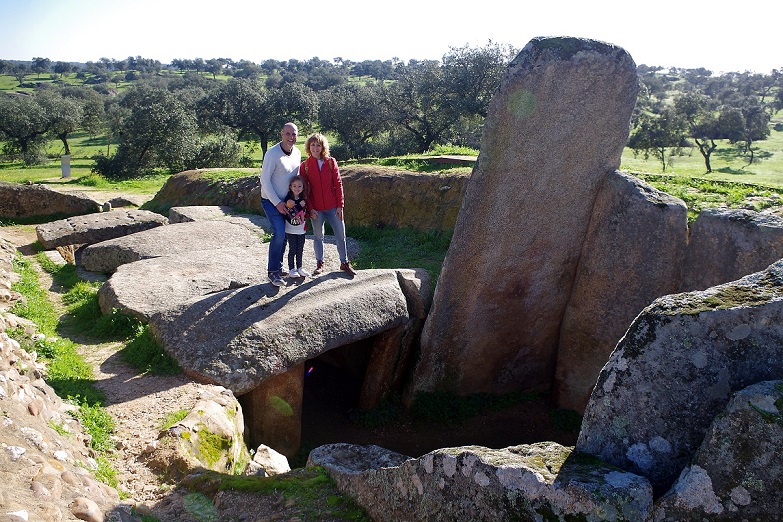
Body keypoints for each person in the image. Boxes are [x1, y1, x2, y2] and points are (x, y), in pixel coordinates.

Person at [300, 133, 356, 276]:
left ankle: (344, 263)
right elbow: (304, 190)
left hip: (333, 207)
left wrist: (340, 205)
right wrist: (310, 208)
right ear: (308, 147)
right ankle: (320, 264)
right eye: (312, 145)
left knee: (341, 235)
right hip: (316, 208)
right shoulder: (305, 166)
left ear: (323, 147)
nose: (315, 147)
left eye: (318, 145)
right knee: (318, 236)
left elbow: (338, 184)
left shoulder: (331, 162)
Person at [259, 122, 301, 286]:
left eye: (294, 134)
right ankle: (272, 272)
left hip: (287, 202)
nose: (291, 137)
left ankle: (279, 267)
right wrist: (277, 203)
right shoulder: (272, 153)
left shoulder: (297, 153)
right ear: (281, 134)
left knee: (285, 235)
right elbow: (265, 180)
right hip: (271, 201)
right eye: (288, 134)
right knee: (279, 233)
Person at [283, 175, 310, 278]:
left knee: (300, 249)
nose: (297, 188)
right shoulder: (288, 200)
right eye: (294, 186)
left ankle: (300, 268)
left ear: (303, 187)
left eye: (299, 186)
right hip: (290, 229)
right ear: (290, 187)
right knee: (292, 249)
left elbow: (305, 212)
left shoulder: (303, 199)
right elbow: (290, 213)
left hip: (301, 229)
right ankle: (291, 269)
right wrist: (299, 206)